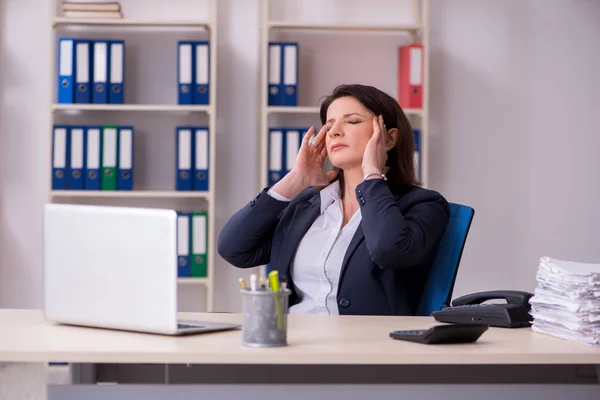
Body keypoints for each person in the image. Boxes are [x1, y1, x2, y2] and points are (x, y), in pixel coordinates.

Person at [217, 84, 450, 316]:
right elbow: (234, 249)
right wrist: (297, 178)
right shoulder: (308, 205)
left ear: (388, 139)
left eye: (352, 121)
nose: (335, 132)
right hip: (294, 343)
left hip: (367, 347)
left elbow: (389, 251)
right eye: (329, 126)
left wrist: (371, 175)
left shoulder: (423, 205)